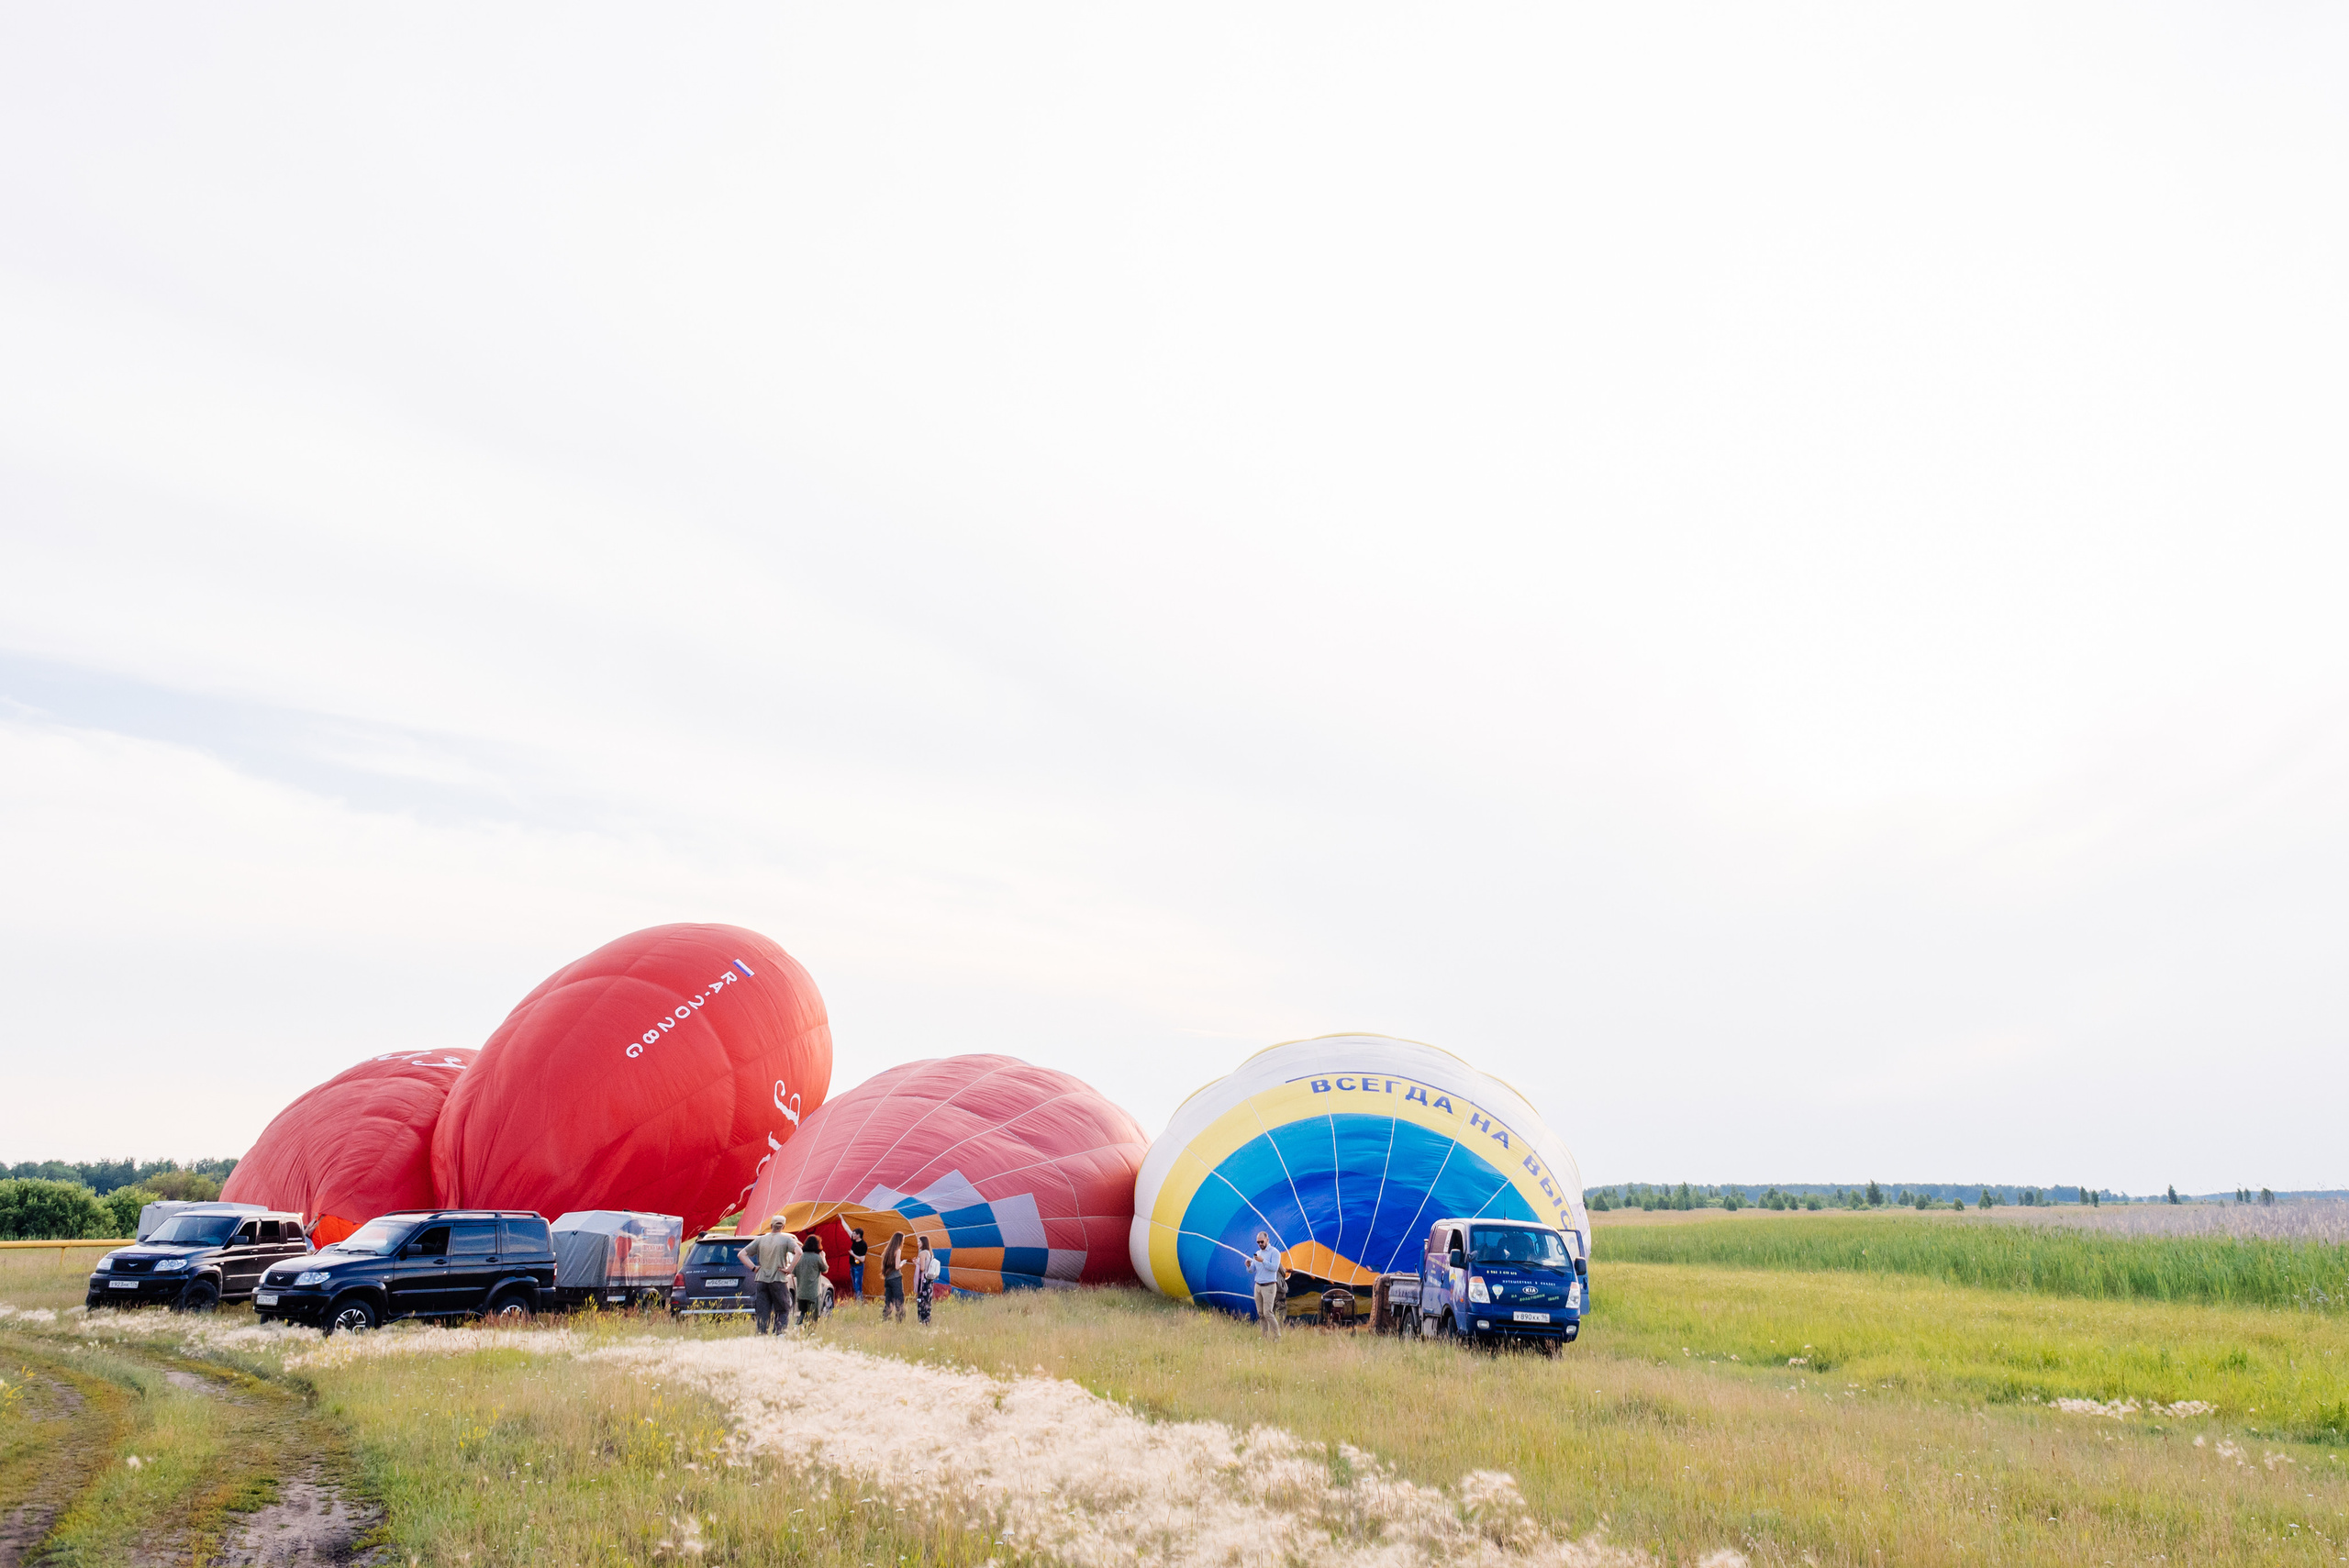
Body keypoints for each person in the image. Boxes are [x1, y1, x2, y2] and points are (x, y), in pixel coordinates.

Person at [745, 1217, 802, 1336]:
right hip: (779, 1279)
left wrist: (754, 1268)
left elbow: (742, 1254)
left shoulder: (760, 1239)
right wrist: (789, 1269)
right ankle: (780, 1333)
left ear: (771, 1226)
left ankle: (761, 1335)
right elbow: (799, 1252)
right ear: (783, 1227)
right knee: (782, 1309)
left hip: (761, 1280)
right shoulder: (786, 1239)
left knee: (762, 1312)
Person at [1250, 1231, 1287, 1340]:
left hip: (1269, 1286)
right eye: (1258, 1242)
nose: (1260, 1244)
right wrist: (1248, 1266)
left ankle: (1277, 1336)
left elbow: (1274, 1268)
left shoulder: (1274, 1252)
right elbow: (1252, 1270)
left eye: (1262, 1242)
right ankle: (1265, 1337)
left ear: (1267, 1240)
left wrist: (1263, 1261)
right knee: (1261, 1313)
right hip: (1258, 1286)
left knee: (1268, 1312)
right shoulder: (1257, 1253)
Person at [792, 1233, 828, 1331]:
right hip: (813, 1293)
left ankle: (796, 1328)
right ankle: (810, 1332)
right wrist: (823, 1257)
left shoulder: (799, 1257)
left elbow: (793, 1273)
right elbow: (825, 1269)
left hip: (801, 1292)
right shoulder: (817, 1258)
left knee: (802, 1313)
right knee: (813, 1316)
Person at [881, 1232, 907, 1322]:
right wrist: (902, 1263)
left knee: (889, 1301)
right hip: (896, 1278)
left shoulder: (888, 1250)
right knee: (899, 1299)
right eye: (903, 1240)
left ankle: (885, 1318)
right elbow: (897, 1266)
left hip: (888, 1279)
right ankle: (900, 1320)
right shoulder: (898, 1250)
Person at [914, 1237, 938, 1324]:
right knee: (928, 1300)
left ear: (923, 1243)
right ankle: (927, 1319)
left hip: (923, 1280)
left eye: (919, 1242)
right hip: (929, 1280)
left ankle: (921, 1320)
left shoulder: (922, 1253)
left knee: (921, 1300)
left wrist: (917, 1264)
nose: (918, 1244)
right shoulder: (930, 1253)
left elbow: (922, 1268)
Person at [849, 1228, 867, 1302]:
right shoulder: (854, 1241)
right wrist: (842, 1221)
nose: (852, 1235)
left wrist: (853, 1254)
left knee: (857, 1284)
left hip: (858, 1267)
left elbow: (862, 1259)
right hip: (852, 1265)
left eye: (854, 1234)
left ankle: (859, 1301)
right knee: (854, 1284)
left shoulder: (863, 1245)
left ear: (858, 1235)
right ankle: (857, 1299)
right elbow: (848, 1230)